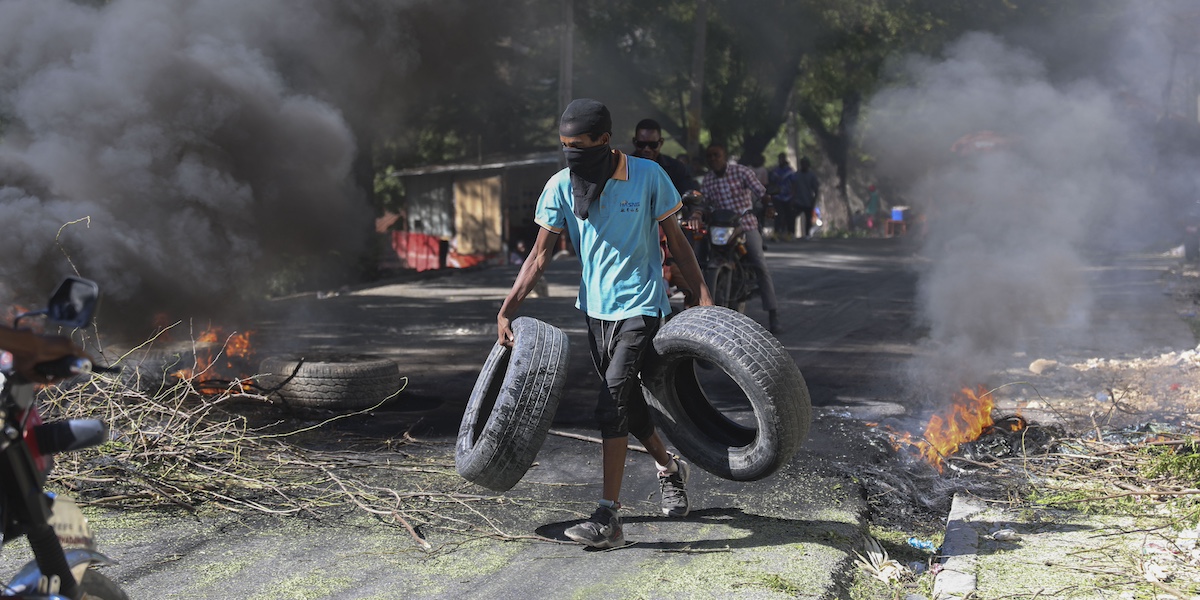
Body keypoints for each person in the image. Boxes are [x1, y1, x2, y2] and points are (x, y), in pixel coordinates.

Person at [497, 99, 713, 549]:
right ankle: (670, 469)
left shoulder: (648, 176)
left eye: (579, 146)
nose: (572, 153)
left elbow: (677, 243)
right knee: (627, 406)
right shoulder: (560, 186)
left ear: (603, 140)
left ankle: (608, 518)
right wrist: (508, 307)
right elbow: (539, 255)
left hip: (642, 306)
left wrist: (703, 295)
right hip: (595, 312)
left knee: (609, 400)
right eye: (565, 147)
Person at [696, 144, 780, 333]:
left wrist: (769, 205)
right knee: (698, 258)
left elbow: (761, 192)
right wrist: (697, 213)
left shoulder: (742, 172)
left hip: (744, 224)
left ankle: (773, 313)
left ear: (724, 156)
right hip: (719, 227)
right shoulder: (708, 180)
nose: (713, 159)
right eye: (709, 156)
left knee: (759, 263)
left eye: (716, 155)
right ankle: (701, 309)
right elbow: (703, 202)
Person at [791, 157, 820, 239]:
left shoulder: (812, 176)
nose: (804, 165)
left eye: (805, 164)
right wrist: (792, 198)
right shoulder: (797, 174)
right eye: (802, 164)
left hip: (808, 200)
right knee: (793, 217)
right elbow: (793, 187)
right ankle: (792, 233)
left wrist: (814, 200)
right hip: (798, 200)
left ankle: (807, 234)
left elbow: (816, 189)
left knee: (808, 218)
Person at [768, 153, 796, 239]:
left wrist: (793, 196)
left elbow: (794, 184)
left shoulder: (790, 171)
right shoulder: (775, 171)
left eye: (782, 158)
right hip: (778, 196)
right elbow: (771, 183)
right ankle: (776, 232)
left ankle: (790, 233)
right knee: (778, 215)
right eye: (780, 159)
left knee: (789, 215)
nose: (781, 160)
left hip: (788, 196)